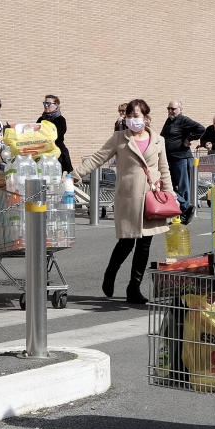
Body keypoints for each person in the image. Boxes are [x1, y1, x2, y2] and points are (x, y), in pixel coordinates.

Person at [73, 98, 170, 304]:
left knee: (145, 245)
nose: (133, 120)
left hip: (152, 199)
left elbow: (164, 169)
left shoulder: (158, 140)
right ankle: (111, 272)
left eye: (136, 116)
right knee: (126, 242)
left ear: (146, 118)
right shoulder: (119, 138)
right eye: (130, 116)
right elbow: (99, 157)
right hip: (128, 198)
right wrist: (76, 173)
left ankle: (133, 287)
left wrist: (169, 195)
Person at [160, 100, 203, 224]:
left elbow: (201, 129)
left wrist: (188, 139)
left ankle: (184, 213)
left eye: (173, 109)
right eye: (168, 108)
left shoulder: (183, 120)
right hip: (170, 158)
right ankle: (183, 208)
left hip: (181, 158)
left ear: (180, 109)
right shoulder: (169, 121)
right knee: (169, 186)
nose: (170, 111)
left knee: (183, 187)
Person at [38, 94, 72, 173]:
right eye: (44, 103)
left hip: (57, 151)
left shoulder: (60, 119)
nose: (46, 106)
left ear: (56, 105)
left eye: (48, 104)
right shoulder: (40, 119)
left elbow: (58, 136)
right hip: (43, 151)